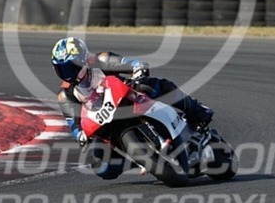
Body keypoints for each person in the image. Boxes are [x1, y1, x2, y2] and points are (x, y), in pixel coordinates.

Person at [50, 37, 213, 179]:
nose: (67, 73)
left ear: (82, 59)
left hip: (127, 97)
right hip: (104, 121)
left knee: (154, 86)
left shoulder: (101, 60)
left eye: (70, 66)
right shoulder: (65, 94)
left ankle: (197, 110)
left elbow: (132, 64)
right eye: (61, 69)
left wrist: (138, 71)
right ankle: (138, 160)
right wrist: (80, 135)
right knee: (100, 166)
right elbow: (73, 123)